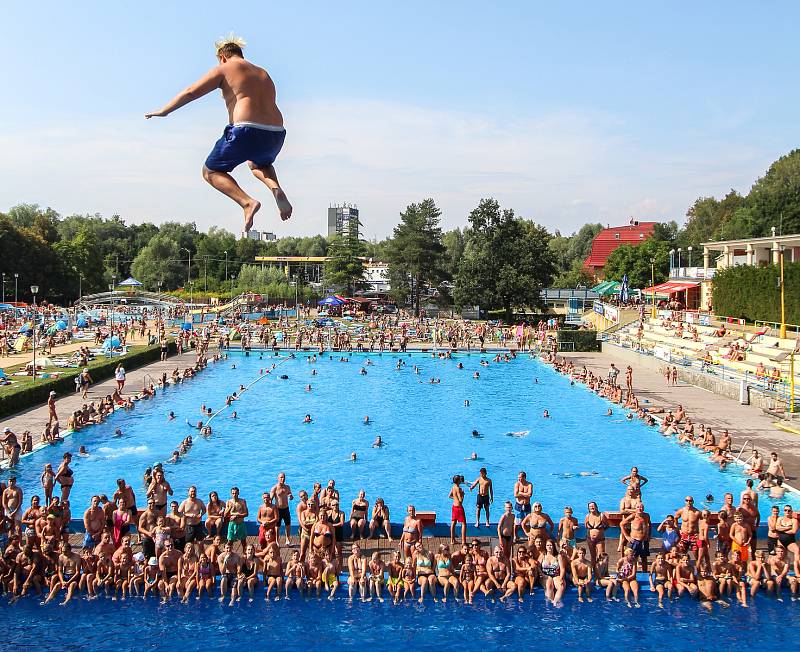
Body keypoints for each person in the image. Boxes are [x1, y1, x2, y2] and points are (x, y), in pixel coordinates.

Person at [145, 34, 292, 232]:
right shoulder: (263, 73)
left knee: (210, 171)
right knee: (258, 163)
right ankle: (275, 188)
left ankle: (247, 202)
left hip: (245, 129)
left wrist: (164, 111)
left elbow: (191, 92)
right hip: (276, 133)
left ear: (223, 56)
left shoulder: (225, 67)